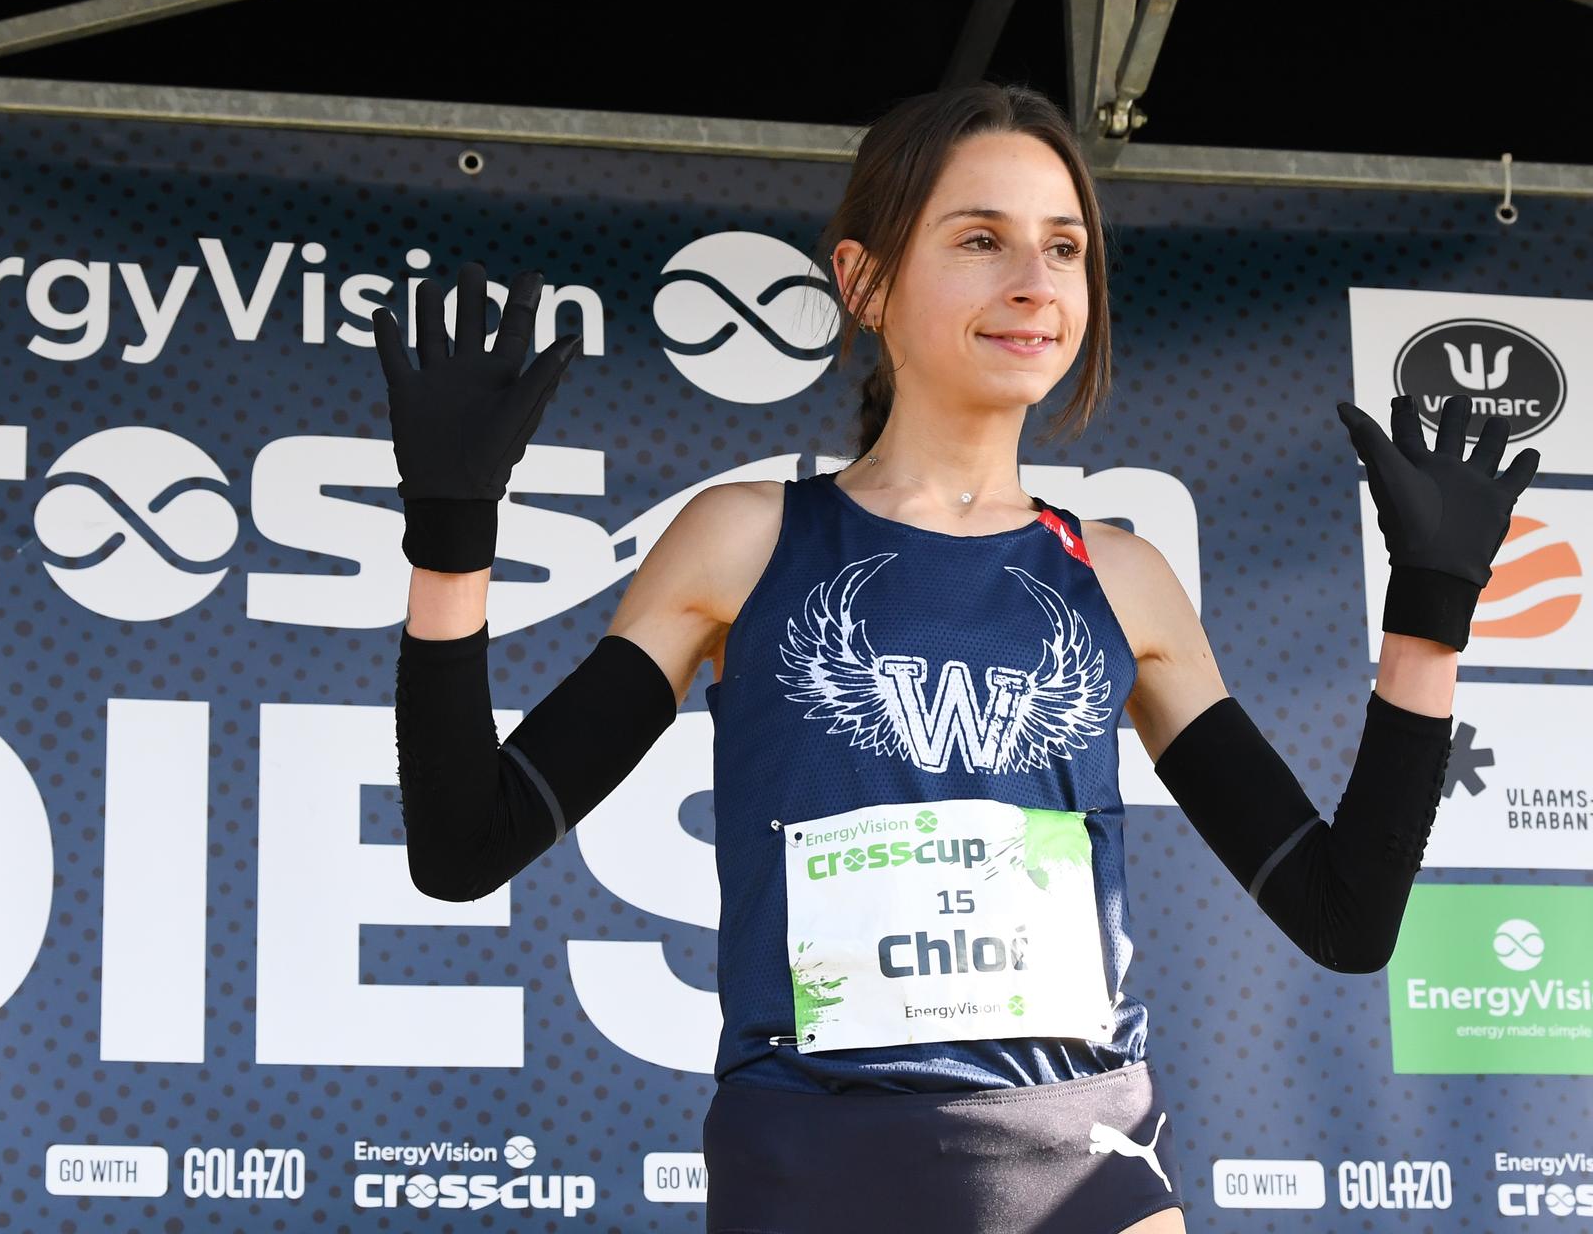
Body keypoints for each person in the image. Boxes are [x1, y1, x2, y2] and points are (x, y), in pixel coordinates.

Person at [375, 83, 1540, 1234]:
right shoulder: (745, 538)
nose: (1034, 282)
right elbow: (465, 845)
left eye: (1065, 247)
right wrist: (450, 540)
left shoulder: (1122, 576)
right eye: (981, 239)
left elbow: (1346, 914)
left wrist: (1431, 619)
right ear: (863, 280)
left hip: (1087, 1159)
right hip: (812, 1157)